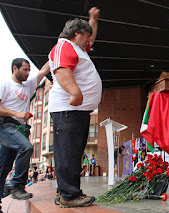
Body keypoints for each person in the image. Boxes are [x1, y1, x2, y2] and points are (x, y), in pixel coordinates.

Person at [48, 7, 102, 208]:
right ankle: (69, 195)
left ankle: (65, 191)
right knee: (68, 152)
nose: (89, 41)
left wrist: (92, 19)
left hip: (76, 111)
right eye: (86, 36)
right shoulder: (64, 46)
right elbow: (62, 70)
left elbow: (92, 36)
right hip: (67, 109)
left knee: (73, 152)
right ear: (77, 33)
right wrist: (76, 93)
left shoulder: (78, 47)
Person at [0, 58, 49, 210]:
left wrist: (61, 43)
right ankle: (17, 187)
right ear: (15, 68)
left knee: (3, 168)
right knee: (26, 148)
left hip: (19, 129)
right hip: (6, 126)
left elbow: (43, 70)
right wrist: (17, 113)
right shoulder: (5, 85)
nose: (28, 73)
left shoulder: (28, 86)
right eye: (24, 70)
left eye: (29, 70)